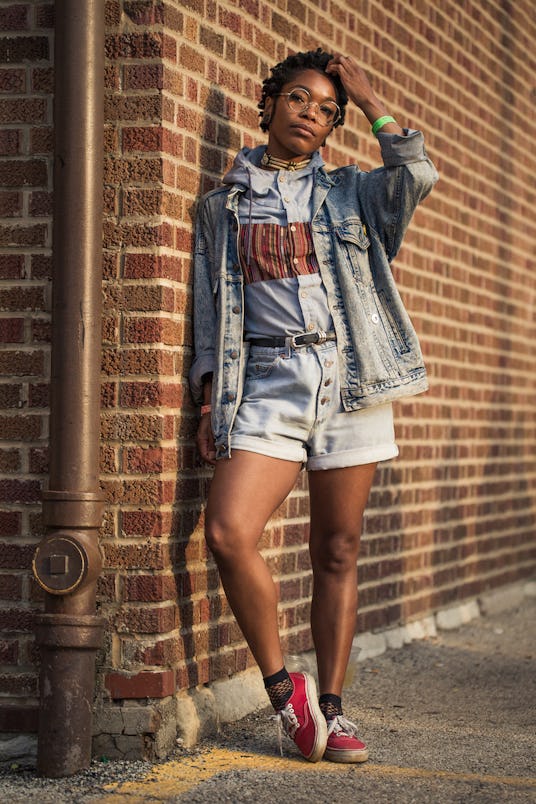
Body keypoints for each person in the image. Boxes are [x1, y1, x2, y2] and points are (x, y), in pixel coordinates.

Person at [190, 48, 438, 764]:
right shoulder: (220, 207)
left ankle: (334, 708)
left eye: (327, 110)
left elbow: (416, 173)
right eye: (300, 99)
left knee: (337, 548)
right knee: (228, 532)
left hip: (349, 378)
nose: (313, 116)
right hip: (264, 380)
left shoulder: (352, 193)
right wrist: (211, 396)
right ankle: (285, 696)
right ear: (268, 104)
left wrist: (369, 100)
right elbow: (212, 312)